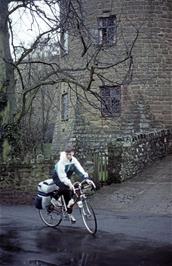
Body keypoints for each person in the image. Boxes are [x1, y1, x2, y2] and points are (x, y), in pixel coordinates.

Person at [52, 145, 90, 223]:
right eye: (67, 154)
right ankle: (54, 199)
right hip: (58, 176)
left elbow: (79, 169)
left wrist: (86, 178)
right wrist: (69, 184)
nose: (69, 156)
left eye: (70, 154)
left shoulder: (74, 160)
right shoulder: (62, 161)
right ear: (65, 153)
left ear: (73, 153)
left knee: (71, 195)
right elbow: (62, 177)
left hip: (66, 177)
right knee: (66, 189)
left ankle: (68, 212)